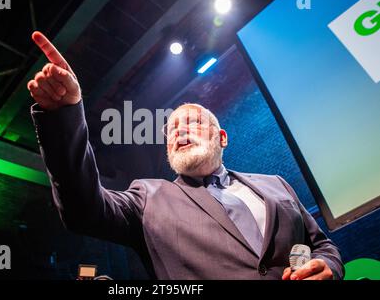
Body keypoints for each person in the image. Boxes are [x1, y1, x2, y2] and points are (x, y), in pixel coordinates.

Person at [28, 31, 344, 280]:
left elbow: (322, 245)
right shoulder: (147, 198)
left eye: (192, 122)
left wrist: (329, 265)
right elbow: (82, 209)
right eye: (171, 130)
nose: (179, 131)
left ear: (221, 137)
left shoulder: (277, 185)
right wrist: (65, 115)